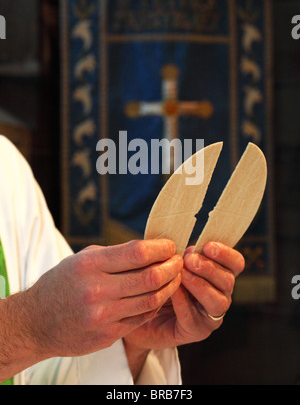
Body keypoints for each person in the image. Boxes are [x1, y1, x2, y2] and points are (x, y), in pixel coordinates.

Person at [0, 135, 245, 385]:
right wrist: (27, 326)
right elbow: (38, 325)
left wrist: (127, 342)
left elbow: (49, 371)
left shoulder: (5, 165)